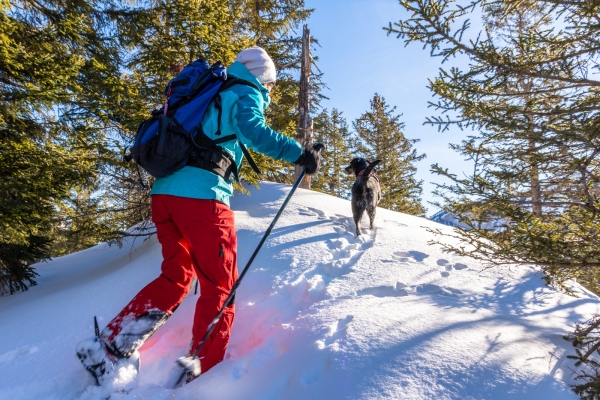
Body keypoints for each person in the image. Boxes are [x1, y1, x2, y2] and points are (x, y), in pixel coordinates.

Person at [76, 46, 322, 384]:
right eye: (273, 84)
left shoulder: (212, 90)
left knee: (176, 276)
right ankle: (204, 372)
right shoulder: (245, 90)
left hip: (164, 196)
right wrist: (299, 154)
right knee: (220, 284)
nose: (272, 91)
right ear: (264, 77)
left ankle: (111, 345)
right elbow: (253, 130)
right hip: (202, 199)